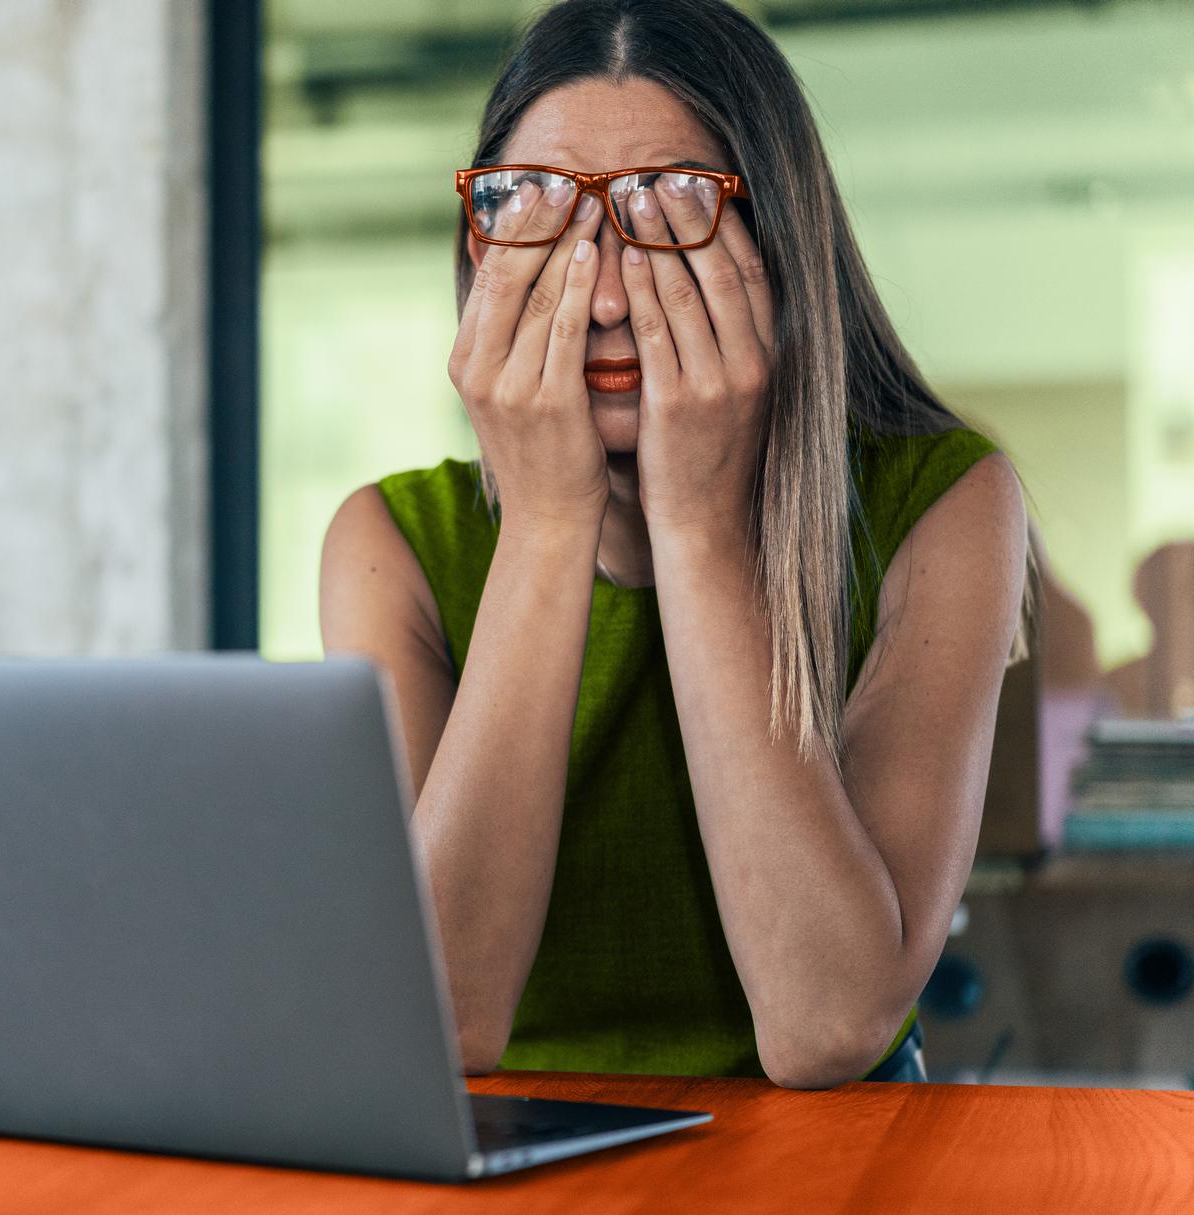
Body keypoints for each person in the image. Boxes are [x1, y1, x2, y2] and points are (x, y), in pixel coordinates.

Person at [318, 0, 1034, 1089]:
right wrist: (549, 525)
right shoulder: (391, 543)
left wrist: (697, 526)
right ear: (482, 243)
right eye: (543, 212)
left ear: (780, 245)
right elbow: (436, 1021)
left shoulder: (946, 504)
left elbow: (829, 1023)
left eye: (674, 208)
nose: (604, 296)